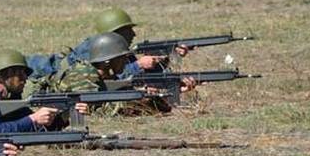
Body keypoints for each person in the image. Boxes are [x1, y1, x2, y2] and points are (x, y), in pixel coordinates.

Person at [0, 8, 188, 88]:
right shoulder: (96, 48)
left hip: (44, 70)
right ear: (115, 34)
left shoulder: (112, 49)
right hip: (40, 71)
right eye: (129, 30)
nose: (134, 34)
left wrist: (167, 60)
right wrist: (135, 65)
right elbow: (90, 74)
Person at [26, 32, 196, 116]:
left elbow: (111, 98)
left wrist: (163, 96)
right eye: (121, 58)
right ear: (107, 62)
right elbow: (97, 109)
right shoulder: (84, 74)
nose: (126, 61)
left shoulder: (104, 75)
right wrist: (141, 101)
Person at [0, 49, 87, 133]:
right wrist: (33, 118)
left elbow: (35, 128)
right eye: (19, 74)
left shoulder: (9, 97)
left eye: (25, 74)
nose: (25, 78)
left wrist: (65, 114)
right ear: (1, 75)